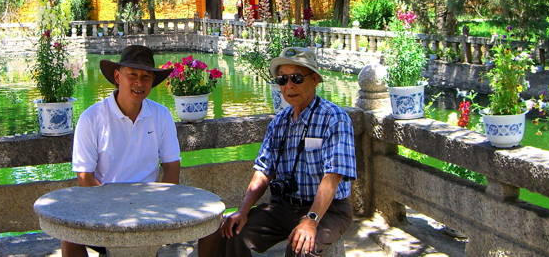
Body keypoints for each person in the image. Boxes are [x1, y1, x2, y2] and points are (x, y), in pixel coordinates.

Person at [198, 47, 356, 257]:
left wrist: (311, 220)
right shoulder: (279, 122)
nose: (289, 85)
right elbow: (263, 170)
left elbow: (333, 175)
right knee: (230, 231)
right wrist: (243, 210)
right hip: (284, 206)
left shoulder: (334, 118)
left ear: (315, 79)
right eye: (282, 80)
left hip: (330, 210)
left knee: (301, 247)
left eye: (296, 78)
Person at [63, 45, 182, 257]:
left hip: (150, 209)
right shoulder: (91, 118)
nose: (139, 82)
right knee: (68, 234)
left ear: (152, 82)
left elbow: (172, 166)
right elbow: (84, 176)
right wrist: (115, 210)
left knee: (214, 221)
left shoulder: (161, 115)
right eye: (132, 75)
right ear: (118, 76)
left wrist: (159, 205)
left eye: (146, 77)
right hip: (105, 208)